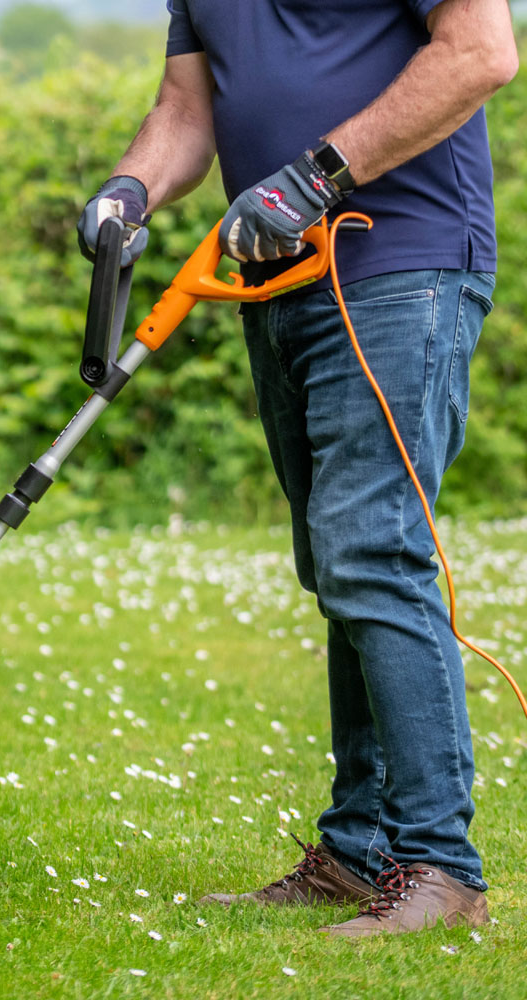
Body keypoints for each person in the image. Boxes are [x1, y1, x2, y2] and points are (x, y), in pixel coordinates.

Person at [78, 0, 518, 937]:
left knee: (370, 549)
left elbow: (481, 52)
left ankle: (440, 866)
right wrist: (128, 191)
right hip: (280, 280)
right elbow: (187, 110)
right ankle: (361, 852)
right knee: (338, 568)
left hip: (402, 264)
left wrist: (319, 173)